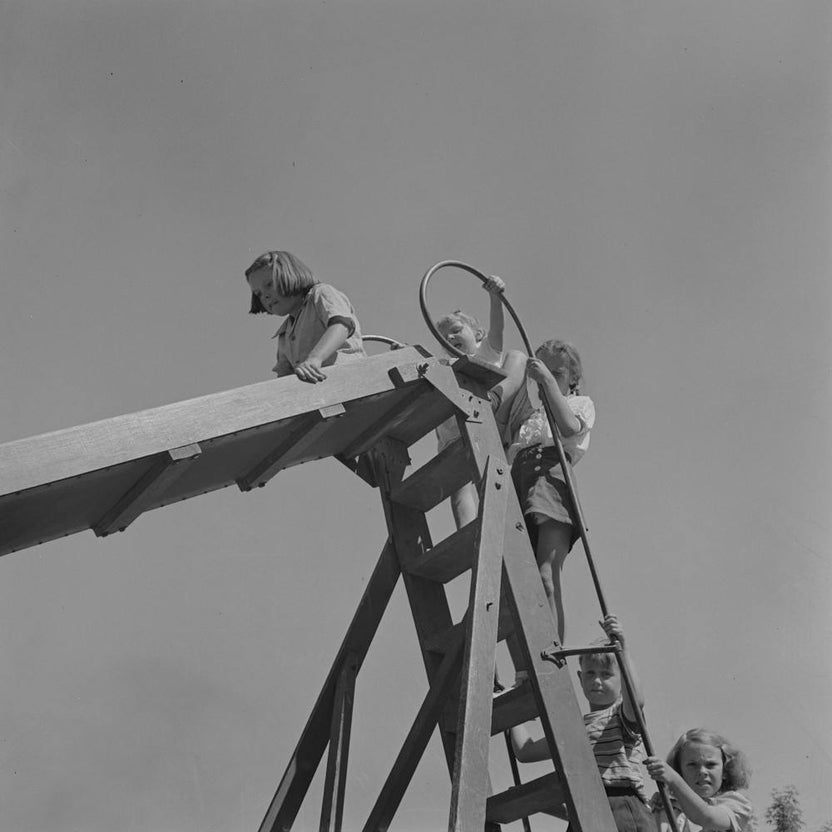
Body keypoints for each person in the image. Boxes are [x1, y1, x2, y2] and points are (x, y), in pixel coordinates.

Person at [510, 616, 654, 832]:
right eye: (590, 673)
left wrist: (622, 651)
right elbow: (525, 751)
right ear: (580, 677)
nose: (597, 681)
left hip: (620, 802)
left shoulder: (620, 716)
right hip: (584, 806)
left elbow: (636, 700)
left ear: (621, 678)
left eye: (606, 675)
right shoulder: (574, 728)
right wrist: (514, 705)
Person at [504, 339, 595, 642]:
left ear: (572, 379)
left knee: (546, 576)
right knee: (519, 583)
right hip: (520, 486)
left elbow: (569, 427)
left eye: (556, 372)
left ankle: (552, 653)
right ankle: (525, 666)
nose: (546, 377)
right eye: (541, 371)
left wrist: (545, 381)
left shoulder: (579, 404)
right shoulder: (528, 417)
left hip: (552, 483)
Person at [434, 275, 524, 527]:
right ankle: (470, 532)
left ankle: (494, 398)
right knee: (459, 489)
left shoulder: (484, 352)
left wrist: (495, 298)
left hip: (486, 417)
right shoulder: (445, 365)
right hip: (454, 434)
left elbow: (498, 330)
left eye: (456, 331)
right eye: (444, 338)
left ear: (478, 334)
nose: (450, 339)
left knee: (517, 357)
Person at [245, 250, 365, 383]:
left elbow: (342, 325)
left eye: (269, 284)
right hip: (324, 395)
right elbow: (284, 378)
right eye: (258, 294)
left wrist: (315, 358)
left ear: (288, 275)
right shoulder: (285, 334)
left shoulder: (320, 294)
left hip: (353, 380)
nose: (265, 295)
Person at [646, 729, 753, 832]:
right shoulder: (662, 806)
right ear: (679, 770)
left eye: (710, 765)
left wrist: (674, 780)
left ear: (725, 771)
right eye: (692, 765)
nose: (702, 771)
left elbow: (707, 817)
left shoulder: (735, 805)